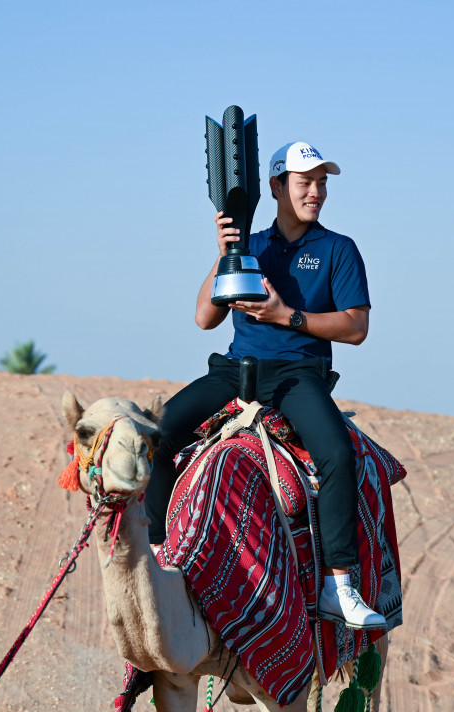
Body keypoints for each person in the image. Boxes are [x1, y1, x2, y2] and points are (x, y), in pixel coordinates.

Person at [145, 141, 385, 630]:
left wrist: (286, 315)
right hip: (236, 371)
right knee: (156, 436)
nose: (316, 191)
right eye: (305, 182)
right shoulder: (249, 245)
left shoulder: (338, 249)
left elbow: (356, 328)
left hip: (298, 375)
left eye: (321, 182)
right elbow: (203, 318)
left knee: (338, 454)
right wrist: (225, 253)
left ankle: (338, 585)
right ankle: (161, 552)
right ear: (275, 187)